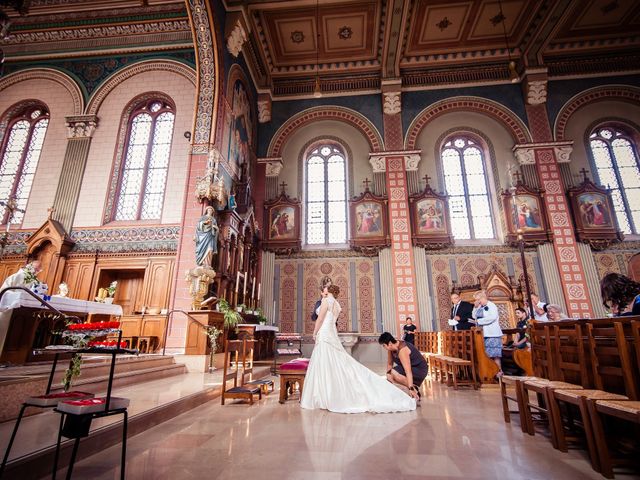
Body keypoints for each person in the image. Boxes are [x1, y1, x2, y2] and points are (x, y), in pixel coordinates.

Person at [301, 285, 416, 413]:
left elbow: (320, 319)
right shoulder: (337, 305)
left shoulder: (326, 301)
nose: (324, 290)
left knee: (324, 361)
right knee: (333, 361)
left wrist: (315, 332)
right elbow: (332, 321)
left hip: (324, 333)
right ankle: (327, 393)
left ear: (329, 291)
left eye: (326, 288)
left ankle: (324, 394)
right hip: (331, 332)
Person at [379, 332, 428, 402]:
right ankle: (414, 388)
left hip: (419, 369)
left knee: (393, 372)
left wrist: (410, 388)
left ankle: (413, 389)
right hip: (411, 367)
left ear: (389, 343)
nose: (384, 347)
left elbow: (408, 371)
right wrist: (388, 378)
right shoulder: (391, 349)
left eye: (384, 345)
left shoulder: (402, 350)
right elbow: (390, 363)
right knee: (390, 374)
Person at [472, 290, 503, 378]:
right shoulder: (479, 306)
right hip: (483, 334)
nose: (477, 301)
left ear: (482, 298)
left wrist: (479, 321)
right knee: (488, 354)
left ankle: (499, 372)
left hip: (493, 333)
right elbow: (474, 317)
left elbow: (492, 317)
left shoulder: (491, 305)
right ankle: (490, 371)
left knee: (495, 354)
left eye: (478, 300)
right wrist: (475, 307)